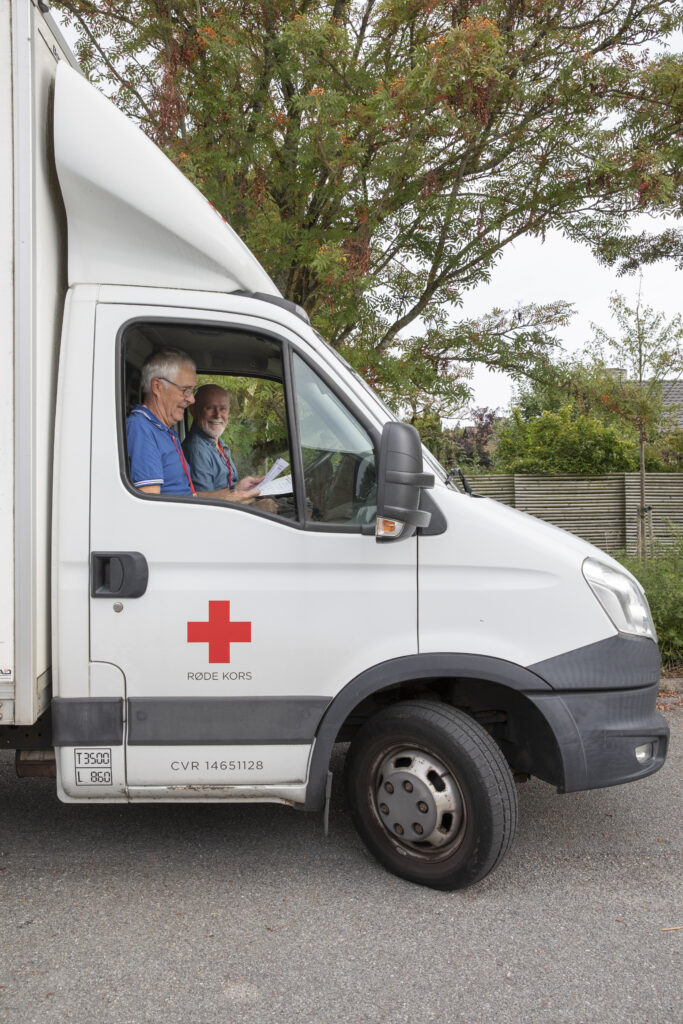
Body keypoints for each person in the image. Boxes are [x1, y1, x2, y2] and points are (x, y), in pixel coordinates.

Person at [126, 349, 264, 504]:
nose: (191, 399)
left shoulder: (165, 429)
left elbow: (188, 497)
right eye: (185, 390)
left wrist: (235, 491)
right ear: (157, 386)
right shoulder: (141, 429)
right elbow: (151, 508)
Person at [183, 383, 278, 513]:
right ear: (193, 410)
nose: (217, 415)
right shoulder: (196, 450)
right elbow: (204, 508)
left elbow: (226, 491)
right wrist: (255, 509)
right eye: (210, 408)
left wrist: (246, 491)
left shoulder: (217, 442)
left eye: (223, 409)